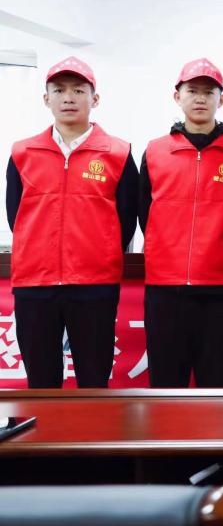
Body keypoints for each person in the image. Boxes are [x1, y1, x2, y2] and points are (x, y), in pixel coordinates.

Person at [6, 56, 138, 388]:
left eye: (78, 90)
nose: (68, 98)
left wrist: (98, 252)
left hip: (94, 284)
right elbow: (15, 215)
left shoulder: (118, 152)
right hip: (35, 283)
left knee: (94, 379)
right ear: (46, 98)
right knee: (41, 381)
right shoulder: (23, 152)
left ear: (95, 99)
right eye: (59, 90)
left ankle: (93, 427)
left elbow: (126, 217)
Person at [139, 58, 223, 388]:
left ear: (221, 100)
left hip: (221, 290)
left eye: (209, 92)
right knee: (166, 388)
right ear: (177, 96)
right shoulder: (154, 152)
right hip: (165, 290)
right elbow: (143, 213)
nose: (200, 98)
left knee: (216, 388)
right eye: (192, 90)